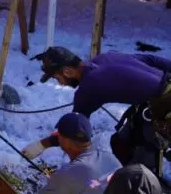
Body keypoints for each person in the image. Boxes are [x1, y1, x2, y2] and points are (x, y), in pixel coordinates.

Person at [23, 47, 171, 175]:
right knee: (122, 144)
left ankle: (146, 184)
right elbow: (151, 59)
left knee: (145, 152)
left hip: (165, 106)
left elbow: (74, 130)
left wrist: (43, 144)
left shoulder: (88, 88)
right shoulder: (106, 57)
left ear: (67, 71)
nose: (60, 84)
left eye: (57, 78)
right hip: (157, 96)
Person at [39, 112, 121, 193]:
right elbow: (83, 181)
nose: (56, 136)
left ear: (67, 141)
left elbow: (67, 178)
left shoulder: (68, 174)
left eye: (59, 134)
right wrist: (48, 171)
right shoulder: (110, 157)